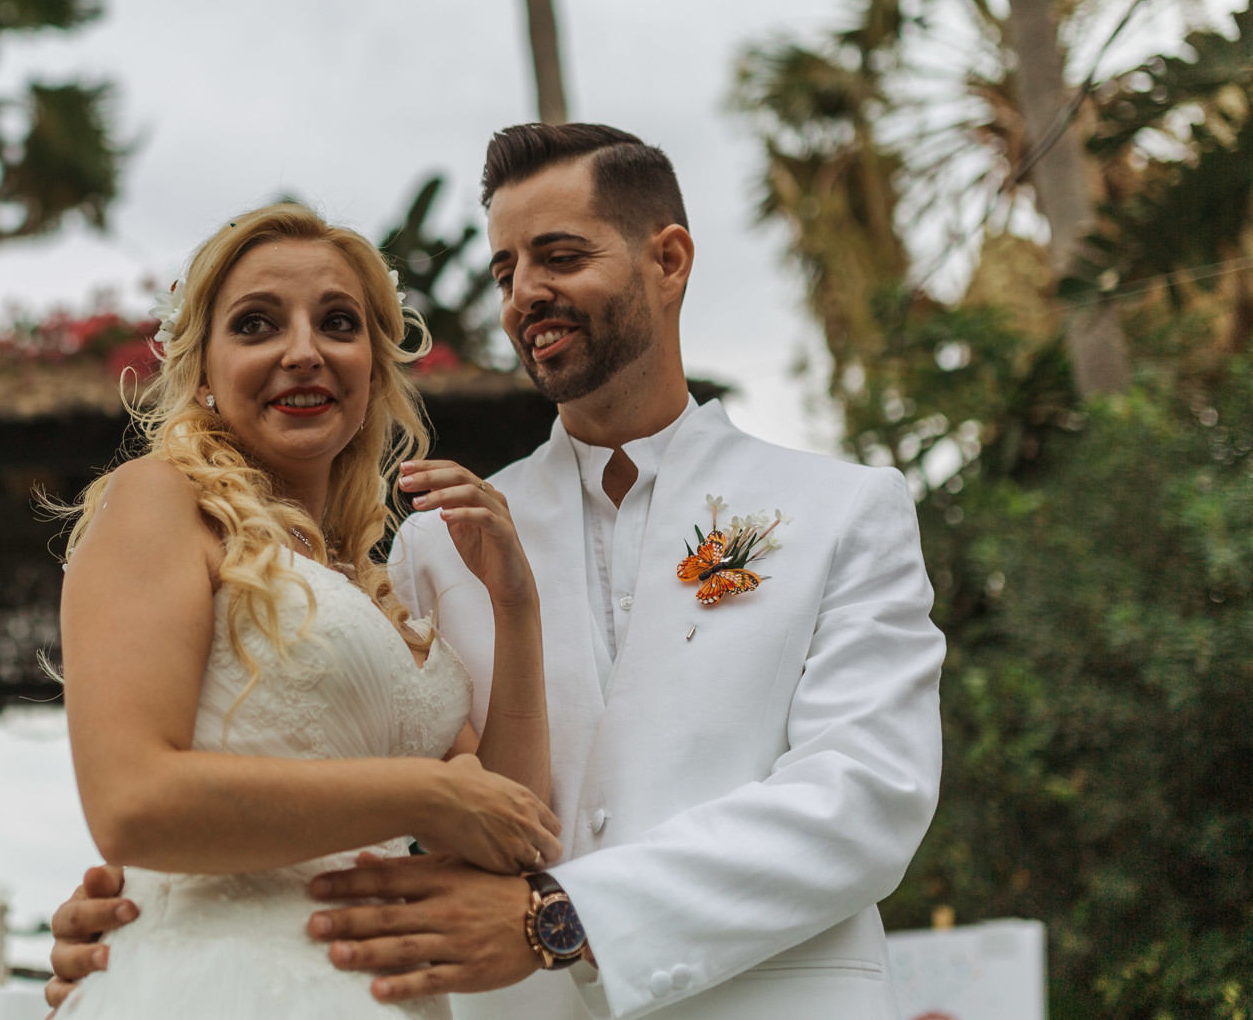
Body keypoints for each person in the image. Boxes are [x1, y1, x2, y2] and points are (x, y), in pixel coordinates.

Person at [47, 124, 945, 1020]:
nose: (527, 294)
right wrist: (144, 916)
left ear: (668, 260)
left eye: (558, 256)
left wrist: (562, 916)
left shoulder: (841, 510)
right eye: (506, 271)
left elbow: (864, 796)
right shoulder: (436, 544)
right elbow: (376, 804)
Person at [50, 201, 564, 1019]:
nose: (303, 351)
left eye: (337, 322)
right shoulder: (160, 503)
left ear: (371, 369)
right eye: (256, 324)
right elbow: (132, 803)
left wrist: (517, 605)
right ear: (205, 372)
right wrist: (423, 796)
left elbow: (512, 832)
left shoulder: (375, 592)